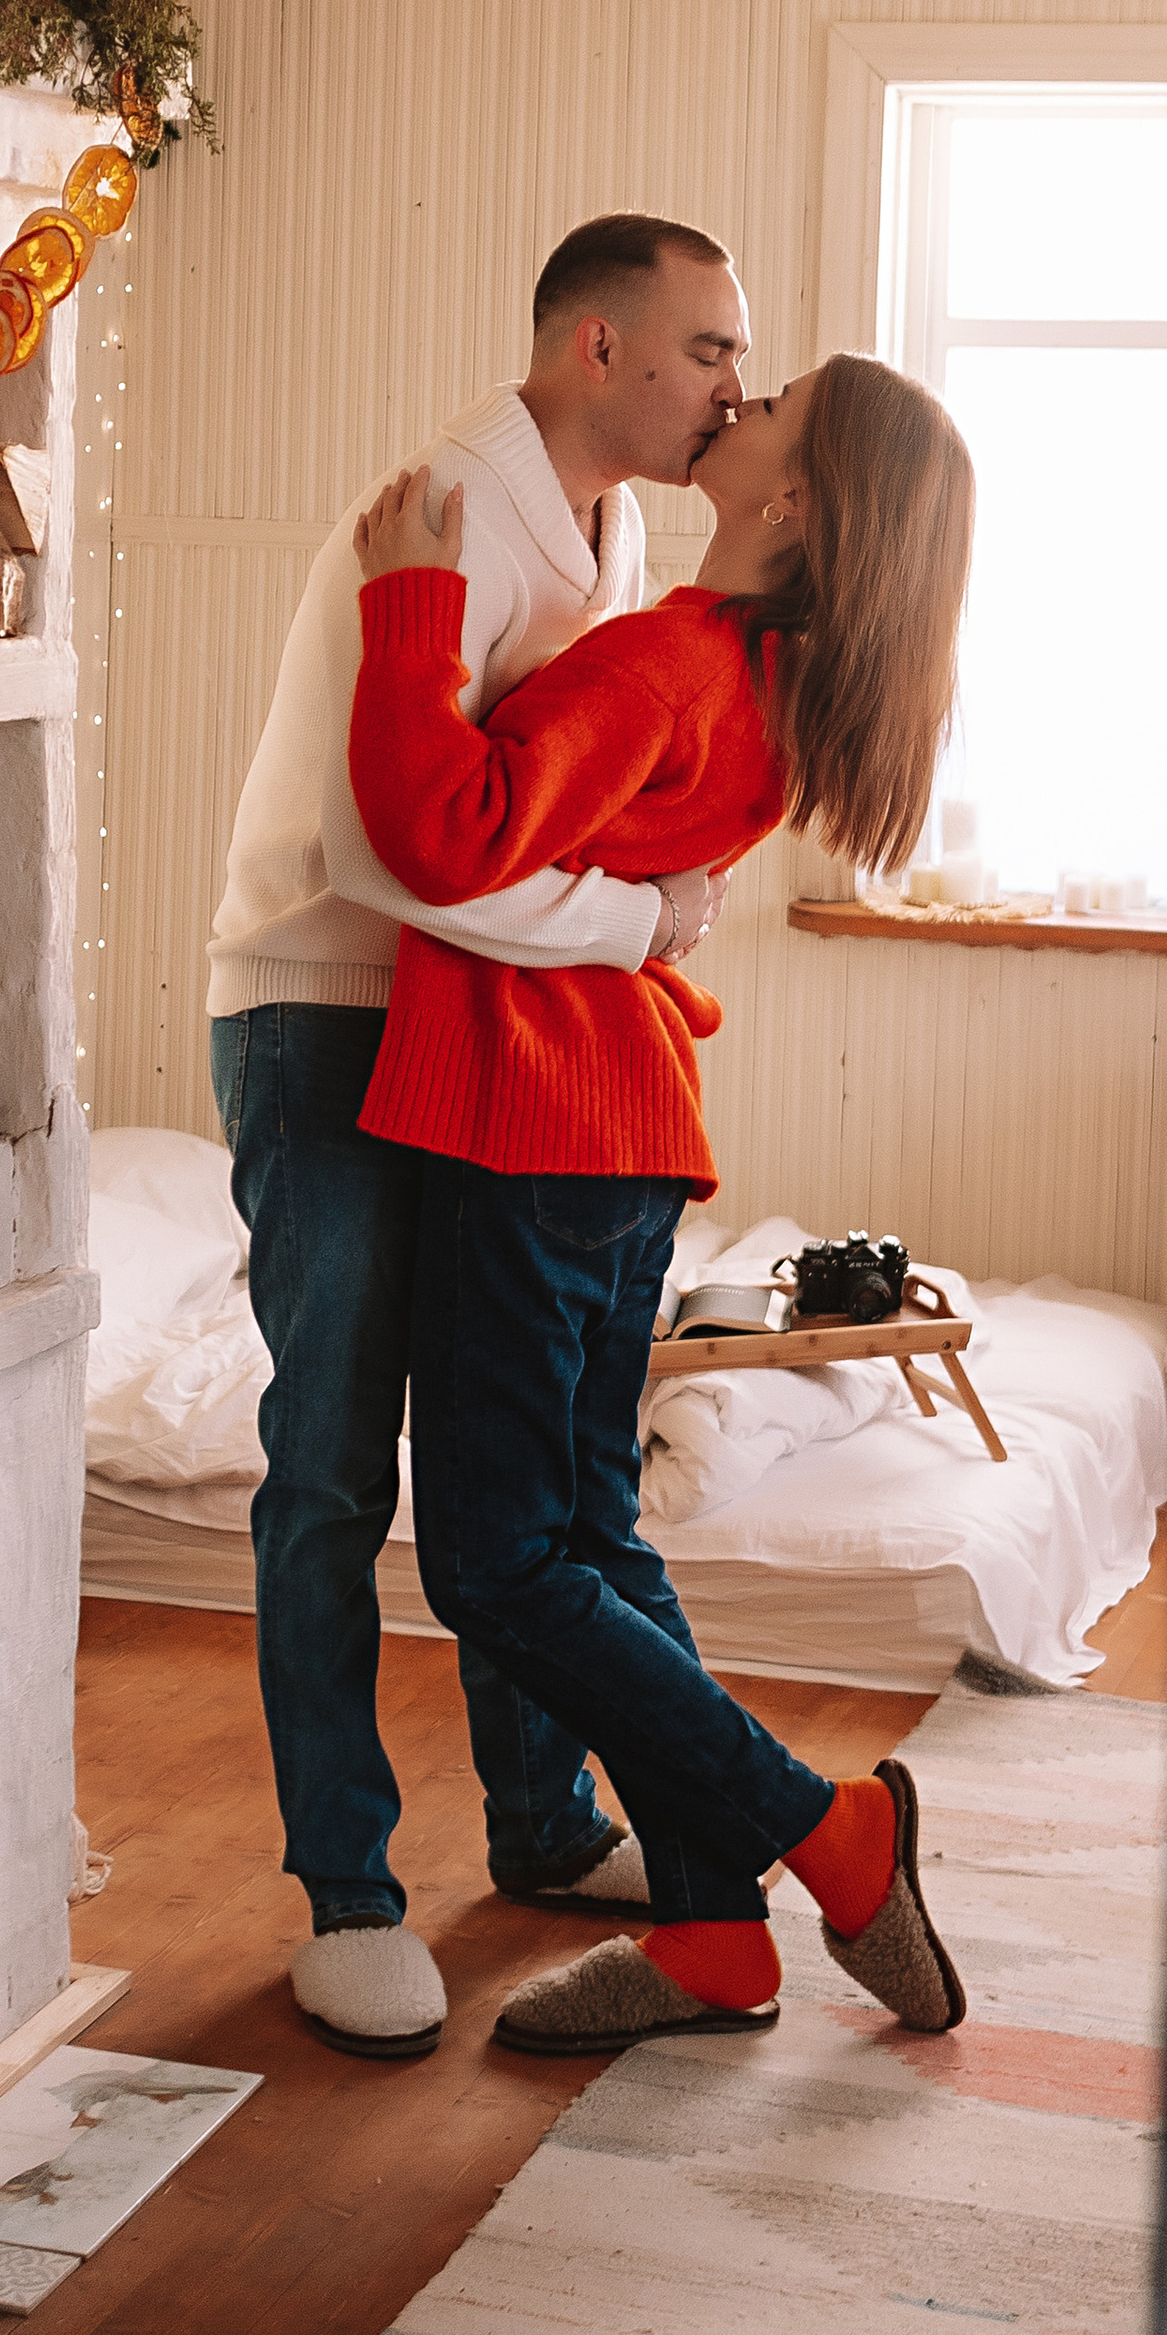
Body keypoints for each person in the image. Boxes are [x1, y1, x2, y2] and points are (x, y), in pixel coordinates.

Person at [345, 351, 977, 2052]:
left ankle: (831, 1834)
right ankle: (713, 1937)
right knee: (588, 1538)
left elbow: (437, 828)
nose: (740, 393)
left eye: (774, 397)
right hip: (608, 1132)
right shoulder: (746, 676)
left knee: (495, 1567)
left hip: (537, 1128)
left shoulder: (666, 665)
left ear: (796, 501)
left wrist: (410, 607)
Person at [208, 216, 754, 2062]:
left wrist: (635, 899)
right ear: (597, 348)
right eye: (704, 351)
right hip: (323, 1002)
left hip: (465, 1022)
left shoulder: (609, 531)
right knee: (338, 1463)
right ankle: (347, 1893)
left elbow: (528, 832)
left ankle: (540, 1821)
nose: (729, 388)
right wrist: (647, 918)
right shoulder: (447, 501)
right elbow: (401, 853)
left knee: (504, 1468)